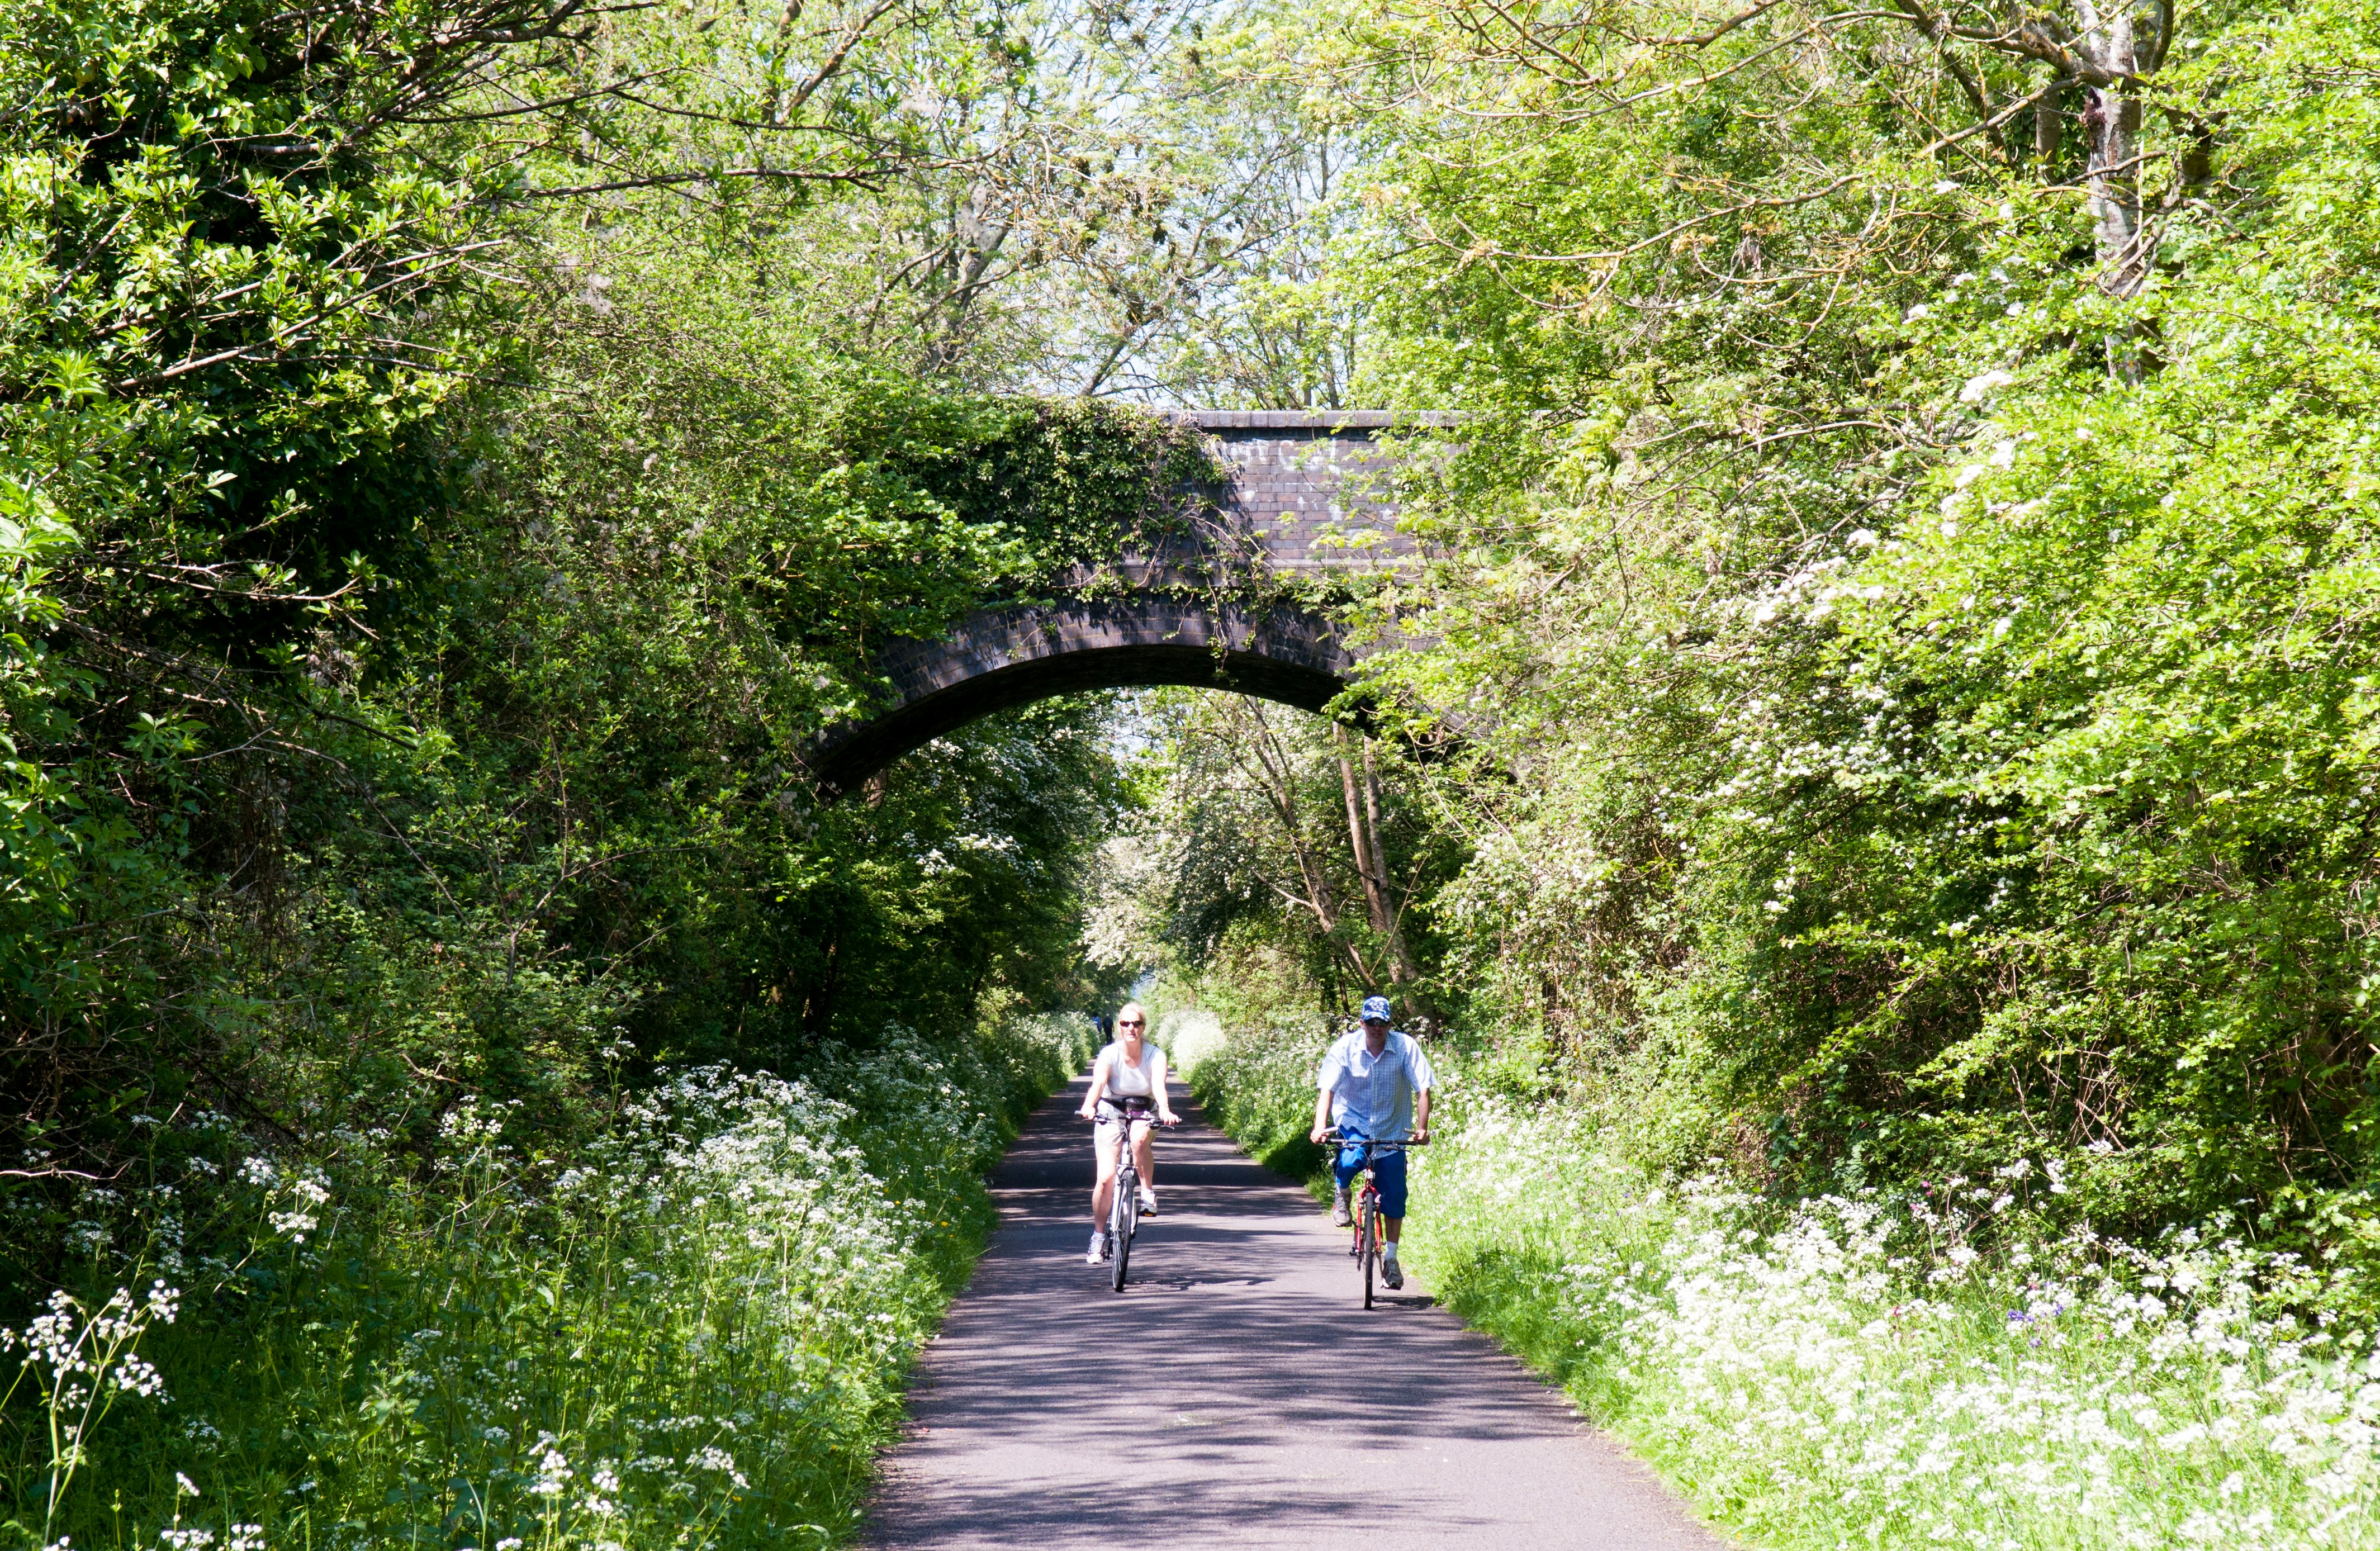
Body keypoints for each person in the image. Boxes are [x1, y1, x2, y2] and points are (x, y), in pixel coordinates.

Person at [1309, 993, 1434, 1289]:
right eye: (1371, 1022)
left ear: (1390, 1024)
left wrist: (1422, 1128)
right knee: (1351, 1158)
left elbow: (1424, 1088)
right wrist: (1319, 1127)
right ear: (1362, 1023)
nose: (1377, 1028)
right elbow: (1327, 1090)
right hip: (1354, 1120)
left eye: (1383, 1022)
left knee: (1395, 1195)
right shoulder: (1345, 1048)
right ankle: (1342, 1193)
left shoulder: (1405, 1047)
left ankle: (1391, 1260)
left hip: (1392, 1128)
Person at [1078, 1000, 1177, 1264]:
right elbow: (1098, 1083)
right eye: (1125, 1023)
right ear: (1119, 1026)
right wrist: (1088, 1106)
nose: (1131, 1028)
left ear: (1144, 1027)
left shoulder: (1155, 1055)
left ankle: (1147, 1194)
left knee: (1139, 1138)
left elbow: (1158, 1085)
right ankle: (1099, 1237)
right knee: (1105, 1178)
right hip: (1110, 1110)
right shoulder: (1109, 1054)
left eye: (1137, 1024)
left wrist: (1165, 1110)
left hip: (1143, 1109)